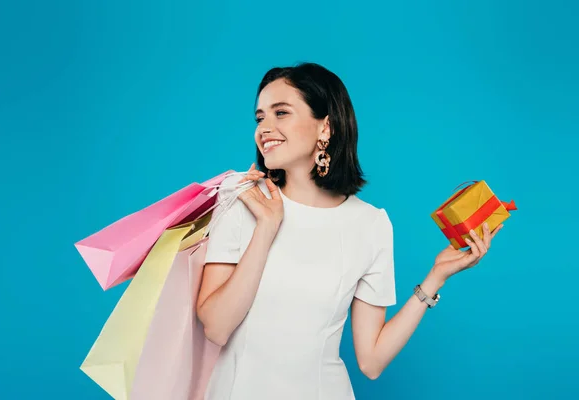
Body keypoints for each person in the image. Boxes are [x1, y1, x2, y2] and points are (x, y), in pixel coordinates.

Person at [195, 62, 503, 400]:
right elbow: (217, 327)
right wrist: (267, 227)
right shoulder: (242, 200)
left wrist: (436, 277)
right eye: (259, 117)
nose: (264, 128)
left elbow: (371, 361)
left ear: (325, 127)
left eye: (281, 113)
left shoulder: (370, 224)